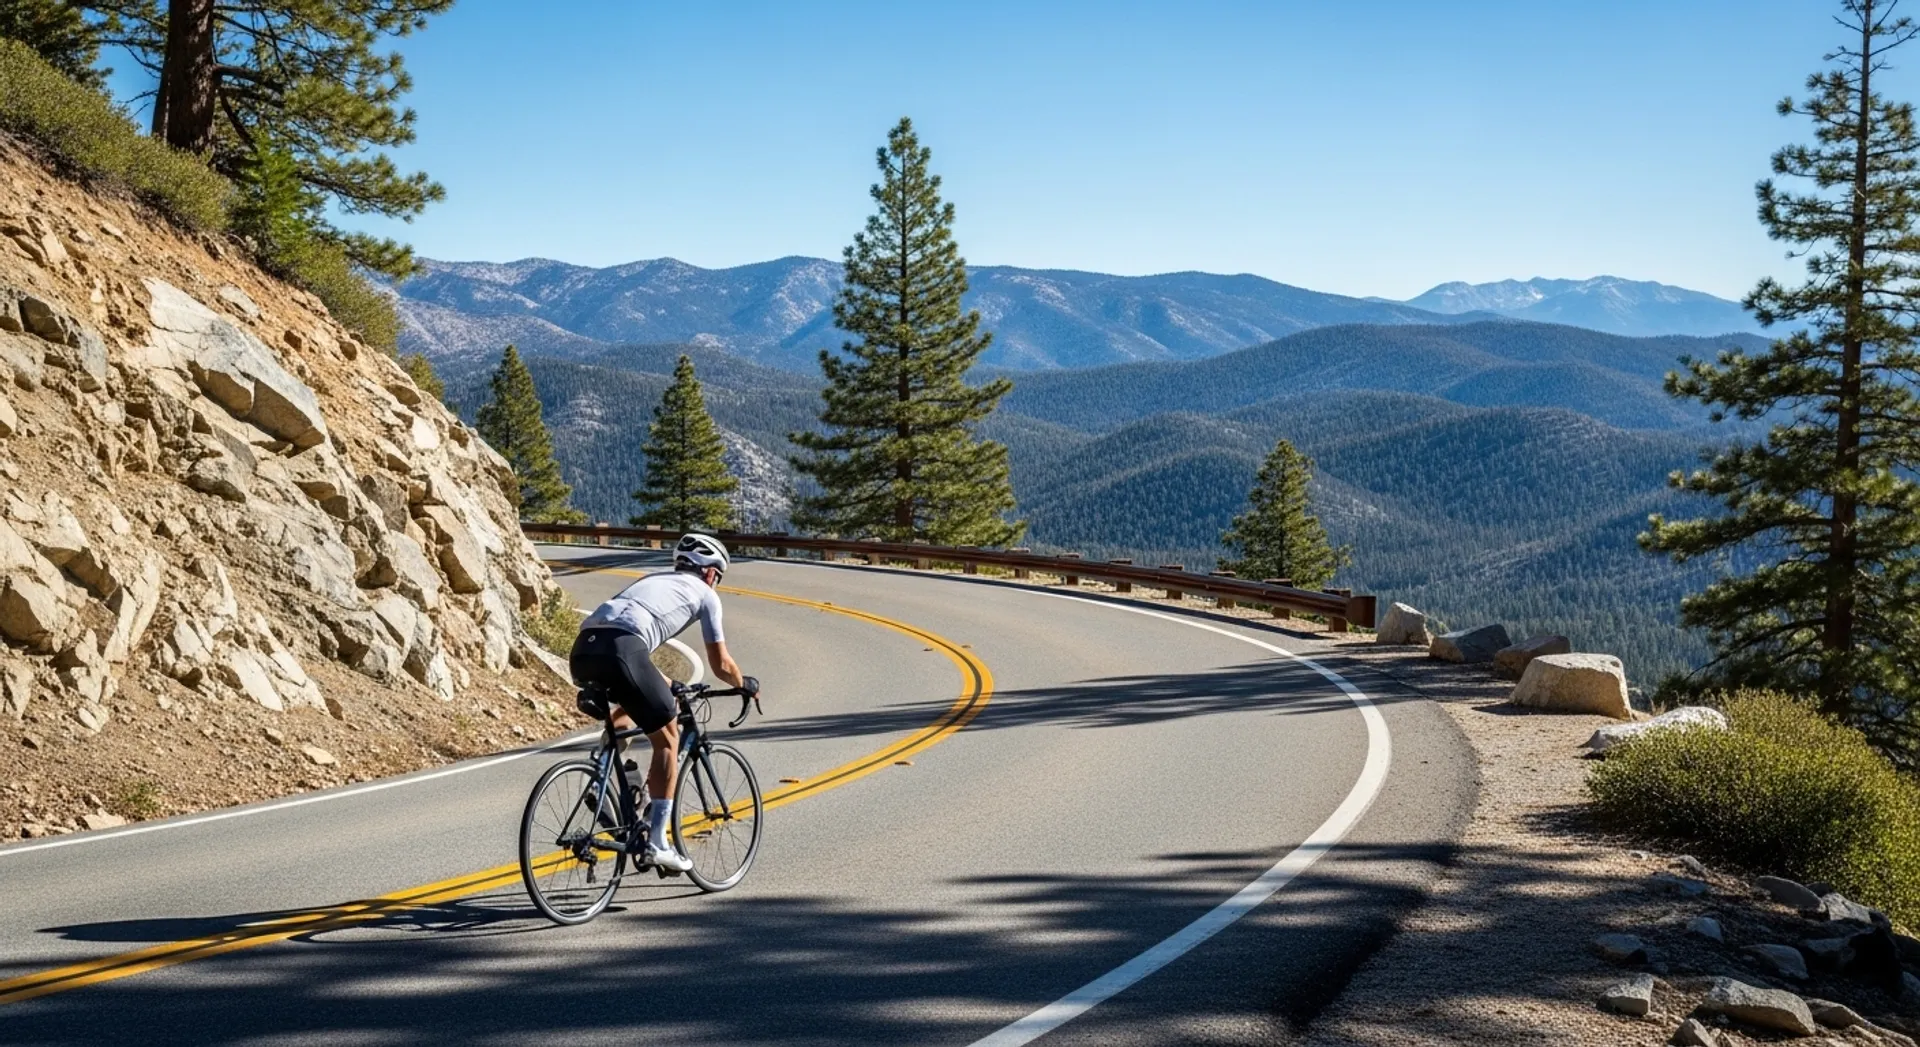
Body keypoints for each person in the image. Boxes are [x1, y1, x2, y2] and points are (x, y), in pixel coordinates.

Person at [569, 533, 752, 874]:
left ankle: (600, 779)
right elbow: (721, 665)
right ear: (711, 573)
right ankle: (658, 842)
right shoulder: (706, 595)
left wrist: (670, 684)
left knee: (630, 708)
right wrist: (745, 685)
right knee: (667, 737)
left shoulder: (653, 580)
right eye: (718, 577)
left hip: (583, 649)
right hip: (624, 651)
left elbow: (634, 657)